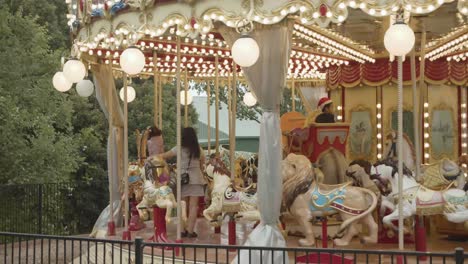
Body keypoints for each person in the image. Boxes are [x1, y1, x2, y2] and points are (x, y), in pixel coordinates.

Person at [156, 127, 205, 238]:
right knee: (193, 207)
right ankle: (190, 231)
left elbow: (163, 156)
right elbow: (202, 165)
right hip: (196, 179)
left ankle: (182, 230)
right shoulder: (198, 149)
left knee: (182, 205)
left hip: (182, 179)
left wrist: (153, 157)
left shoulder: (178, 148)